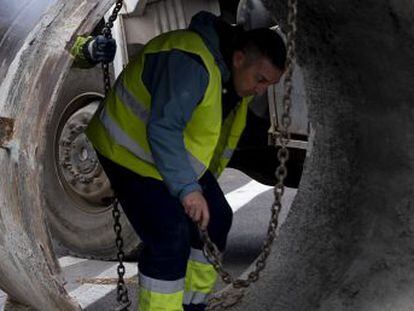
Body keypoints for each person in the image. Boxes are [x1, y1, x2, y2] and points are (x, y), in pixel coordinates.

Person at [71, 10, 286, 311]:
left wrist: (201, 183)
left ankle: (192, 305)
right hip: (128, 152)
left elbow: (213, 137)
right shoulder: (191, 63)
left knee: (217, 219)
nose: (261, 90)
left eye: (268, 85)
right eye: (260, 79)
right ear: (239, 58)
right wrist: (188, 188)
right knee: (169, 239)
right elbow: (163, 128)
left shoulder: (232, 78)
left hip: (167, 157)